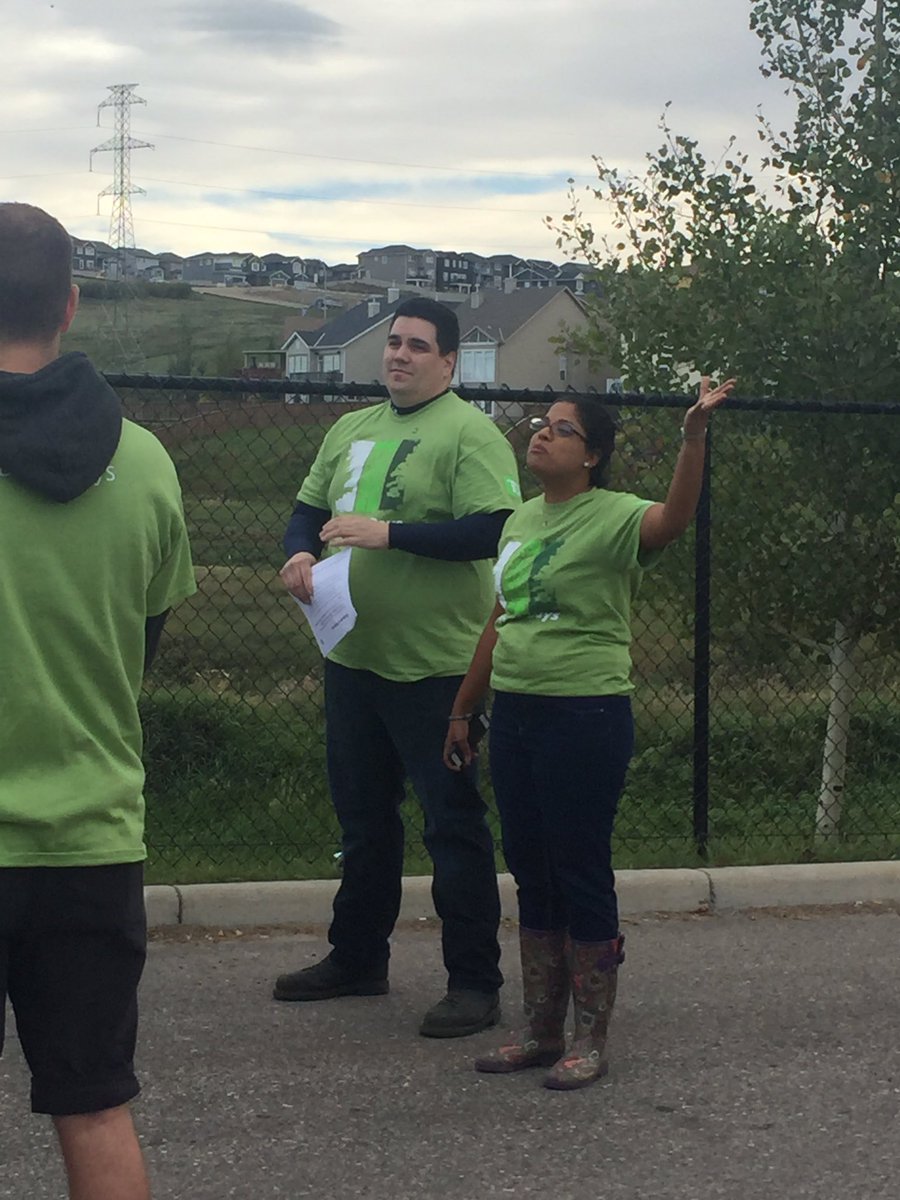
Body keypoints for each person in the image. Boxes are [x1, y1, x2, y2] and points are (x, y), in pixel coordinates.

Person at [443, 378, 735, 1088]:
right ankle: (540, 1031)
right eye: (541, 424)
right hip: (515, 714)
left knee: (578, 868)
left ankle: (589, 1038)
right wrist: (462, 709)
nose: (541, 433)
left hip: (586, 715)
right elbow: (499, 619)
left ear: (594, 456)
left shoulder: (614, 516)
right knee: (531, 868)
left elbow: (673, 519)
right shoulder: (519, 520)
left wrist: (692, 436)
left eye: (562, 429)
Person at [0, 203, 196, 1198]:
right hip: (91, 838)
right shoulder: (149, 462)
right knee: (93, 1102)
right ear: (70, 305)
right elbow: (141, 645)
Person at [274, 296, 522, 1038]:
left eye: (418, 346)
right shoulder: (352, 428)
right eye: (394, 344)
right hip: (354, 656)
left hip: (438, 668)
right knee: (362, 818)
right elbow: (306, 506)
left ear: (449, 361)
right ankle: (357, 958)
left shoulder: (469, 433)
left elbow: (493, 530)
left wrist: (392, 534)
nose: (399, 356)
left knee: (453, 825)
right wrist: (299, 551)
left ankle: (475, 983)